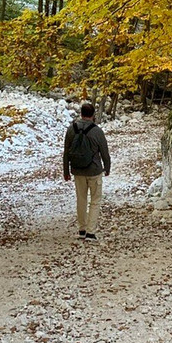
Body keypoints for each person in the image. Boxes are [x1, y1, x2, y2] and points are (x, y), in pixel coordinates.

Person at [63, 102, 110, 241]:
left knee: (81, 199)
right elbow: (104, 152)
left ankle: (82, 229)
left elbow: (66, 152)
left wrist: (66, 170)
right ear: (93, 115)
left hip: (77, 170)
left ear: (81, 113)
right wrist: (107, 167)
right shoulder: (97, 131)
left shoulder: (72, 129)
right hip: (94, 170)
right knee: (95, 200)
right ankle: (91, 231)